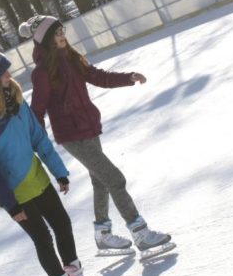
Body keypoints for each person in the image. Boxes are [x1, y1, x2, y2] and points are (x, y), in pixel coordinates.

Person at [0, 45, 110, 276]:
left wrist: (58, 171)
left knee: (62, 225)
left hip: (37, 178)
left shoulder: (16, 101)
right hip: (15, 191)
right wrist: (10, 204)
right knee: (42, 238)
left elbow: (38, 138)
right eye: (2, 72)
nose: (9, 75)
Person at [19, 15, 173, 259]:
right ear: (46, 39)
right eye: (56, 33)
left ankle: (103, 234)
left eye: (62, 30)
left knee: (100, 181)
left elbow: (99, 77)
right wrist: (37, 143)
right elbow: (37, 110)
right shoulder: (43, 73)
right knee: (114, 178)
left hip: (89, 128)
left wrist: (128, 77)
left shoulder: (71, 58)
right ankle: (140, 232)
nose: (62, 36)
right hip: (72, 135)